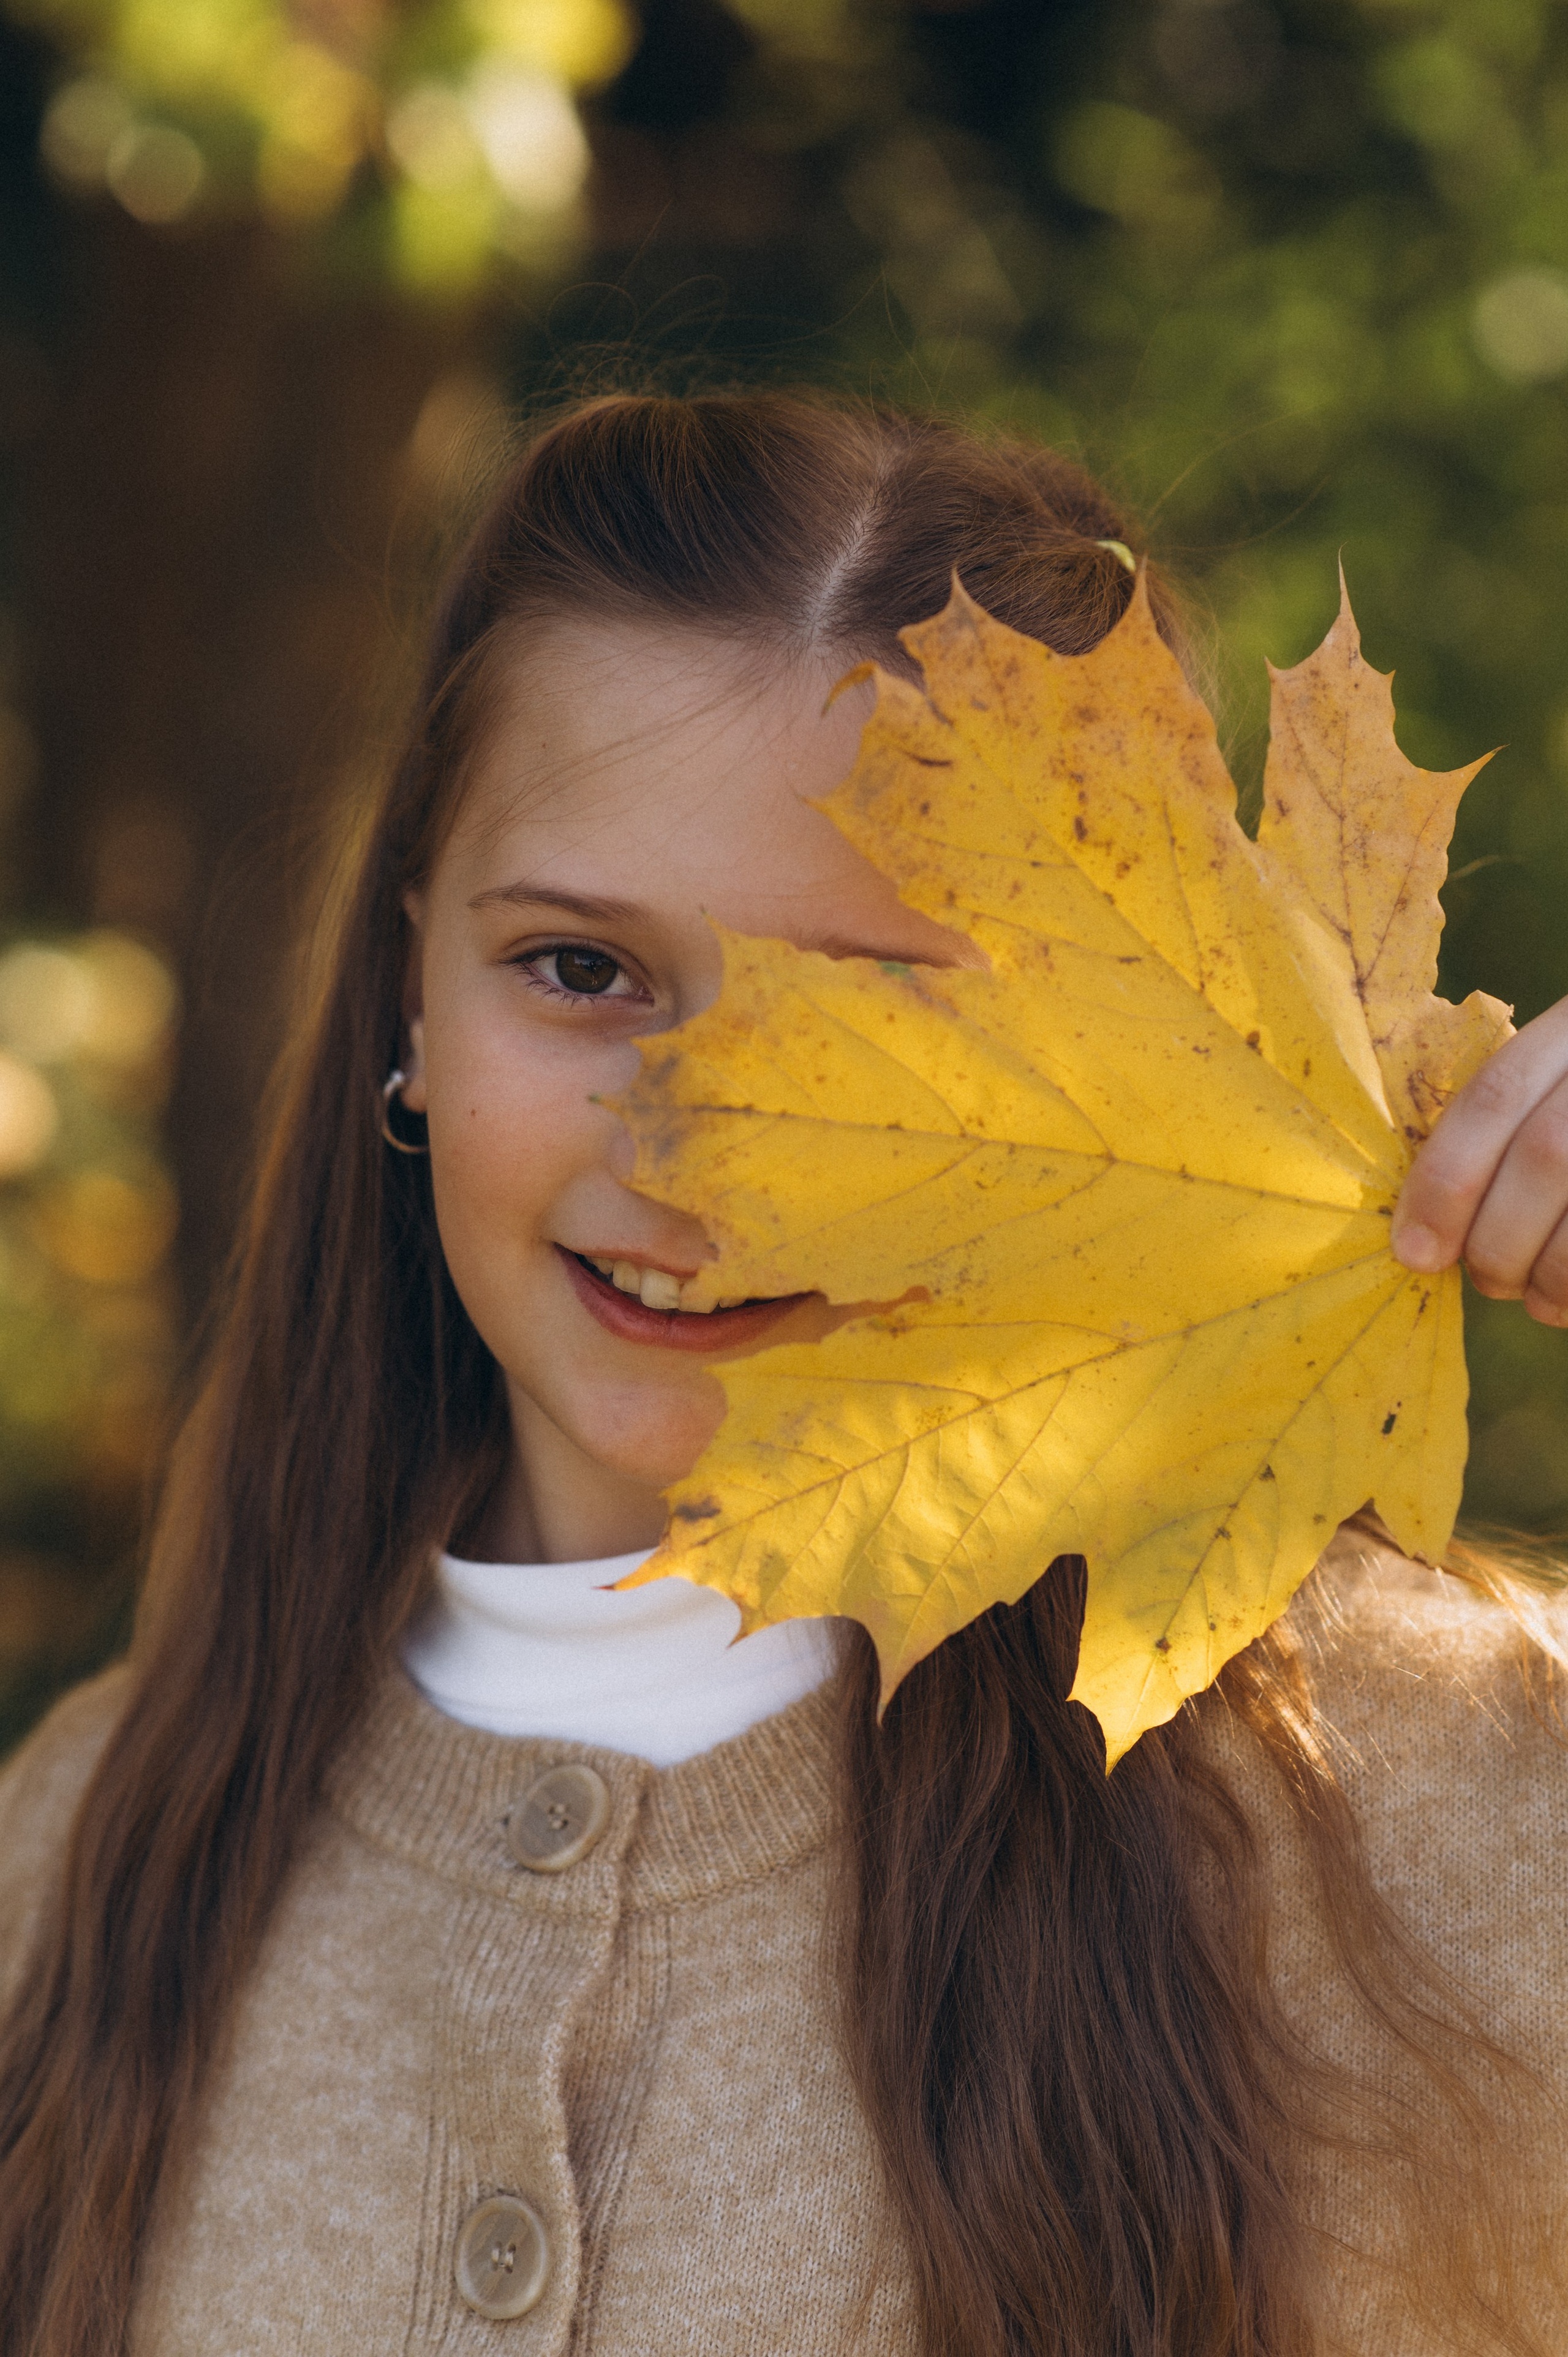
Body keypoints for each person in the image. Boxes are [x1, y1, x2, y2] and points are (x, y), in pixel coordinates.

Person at [1, 391, 1567, 2357]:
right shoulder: (74, 1864)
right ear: (412, 982)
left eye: (875, 1029)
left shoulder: (1466, 1805)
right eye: (583, 970)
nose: (695, 1155)